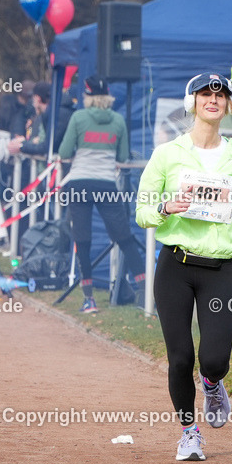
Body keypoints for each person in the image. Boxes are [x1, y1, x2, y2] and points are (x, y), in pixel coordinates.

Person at [136, 72, 232, 461]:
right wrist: (165, 207)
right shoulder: (168, 154)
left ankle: (212, 383)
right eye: (205, 94)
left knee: (214, 359)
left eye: (220, 95)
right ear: (191, 102)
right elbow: (142, 211)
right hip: (175, 266)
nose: (213, 100)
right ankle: (189, 433)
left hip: (218, 268)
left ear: (227, 105)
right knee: (179, 358)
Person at [57, 75, 145, 314]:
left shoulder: (78, 117)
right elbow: (123, 157)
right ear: (107, 96)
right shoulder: (117, 120)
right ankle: (146, 292)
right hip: (106, 184)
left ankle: (89, 300)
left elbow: (64, 151)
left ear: (87, 96)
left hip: (78, 184)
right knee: (124, 238)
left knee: (83, 241)